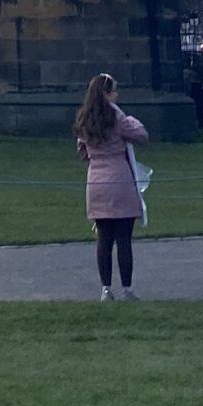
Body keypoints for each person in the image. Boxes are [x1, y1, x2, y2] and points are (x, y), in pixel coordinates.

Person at [74, 70, 150, 302]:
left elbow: (83, 152)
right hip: (119, 178)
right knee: (124, 239)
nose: (117, 94)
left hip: (96, 180)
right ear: (108, 93)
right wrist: (132, 118)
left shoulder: (85, 119)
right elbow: (142, 136)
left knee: (104, 239)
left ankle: (106, 289)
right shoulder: (117, 118)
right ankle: (127, 289)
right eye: (115, 90)